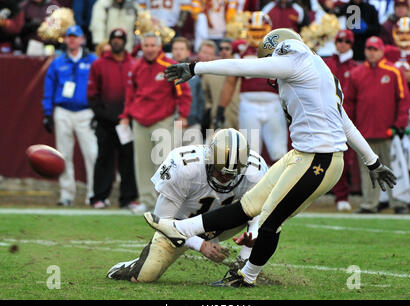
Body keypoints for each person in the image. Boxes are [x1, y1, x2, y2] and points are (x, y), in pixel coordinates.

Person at [144, 28, 398, 287]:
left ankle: (246, 277)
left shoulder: (294, 58)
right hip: (303, 155)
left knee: (268, 219)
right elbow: (344, 122)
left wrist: (196, 68)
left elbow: (243, 66)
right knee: (247, 206)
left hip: (319, 160)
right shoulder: (318, 68)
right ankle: (179, 230)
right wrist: (373, 161)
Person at [106, 128, 268, 283]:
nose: (225, 177)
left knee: (266, 219)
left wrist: (254, 236)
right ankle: (131, 267)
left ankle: (244, 268)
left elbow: (259, 210)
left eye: (232, 174)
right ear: (209, 160)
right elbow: (162, 221)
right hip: (179, 226)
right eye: (220, 171)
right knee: (144, 276)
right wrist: (200, 244)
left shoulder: (254, 171)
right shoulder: (184, 166)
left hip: (223, 225)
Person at [119, 32, 192, 212]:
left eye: (153, 45)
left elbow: (183, 93)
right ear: (141, 47)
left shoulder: (170, 65)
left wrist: (183, 115)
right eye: (146, 45)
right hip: (139, 121)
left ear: (160, 47)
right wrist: (126, 116)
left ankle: (166, 202)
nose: (150, 49)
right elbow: (130, 94)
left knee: (164, 162)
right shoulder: (136, 67)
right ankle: (147, 201)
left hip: (162, 119)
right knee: (142, 163)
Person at [344, 36, 410, 214]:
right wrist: (349, 128)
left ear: (382, 51)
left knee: (393, 167)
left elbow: (403, 100)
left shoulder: (393, 72)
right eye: (369, 49)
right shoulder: (357, 74)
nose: (372, 53)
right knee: (368, 171)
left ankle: (398, 203)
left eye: (375, 49)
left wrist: (399, 124)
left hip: (388, 131)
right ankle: (369, 204)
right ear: (365, 51)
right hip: (363, 132)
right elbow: (348, 103)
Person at [215, 12, 288, 165]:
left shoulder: (280, 49)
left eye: (260, 30)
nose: (257, 34)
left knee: (279, 151)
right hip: (248, 106)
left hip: (274, 104)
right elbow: (230, 81)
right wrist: (221, 108)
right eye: (253, 30)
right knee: (250, 153)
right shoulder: (241, 49)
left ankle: (281, 187)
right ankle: (252, 186)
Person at [87, 28, 143, 211]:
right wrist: (104, 115)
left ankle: (128, 198)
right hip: (106, 121)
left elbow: (139, 92)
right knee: (104, 159)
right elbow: (92, 94)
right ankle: (99, 197)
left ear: (125, 42)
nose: (117, 42)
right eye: (114, 39)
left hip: (127, 121)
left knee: (128, 160)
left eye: (120, 39)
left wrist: (130, 114)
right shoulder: (98, 64)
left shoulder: (134, 64)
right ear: (110, 42)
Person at [42, 25, 98, 206]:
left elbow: (100, 87)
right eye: (69, 37)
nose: (72, 40)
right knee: (64, 154)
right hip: (63, 111)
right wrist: (48, 112)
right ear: (65, 39)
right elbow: (48, 88)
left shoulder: (92, 61)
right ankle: (66, 195)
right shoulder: (58, 62)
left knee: (92, 153)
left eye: (75, 37)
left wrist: (98, 111)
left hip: (85, 111)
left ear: (82, 39)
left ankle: (93, 194)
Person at [323, 29, 359, 211]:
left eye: (346, 41)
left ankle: (342, 196)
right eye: (339, 40)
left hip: (348, 119)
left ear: (351, 44)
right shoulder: (327, 63)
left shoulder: (355, 67)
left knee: (345, 160)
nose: (342, 43)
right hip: (325, 118)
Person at [199, 39, 241, 136]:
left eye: (227, 48)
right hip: (217, 120)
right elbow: (206, 98)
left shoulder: (242, 69)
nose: (223, 51)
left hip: (238, 116)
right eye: (221, 48)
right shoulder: (210, 73)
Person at [171, 37, 205, 146]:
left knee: (195, 159)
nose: (178, 52)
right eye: (175, 49)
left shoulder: (194, 74)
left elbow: (201, 100)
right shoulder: (165, 72)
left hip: (192, 125)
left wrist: (196, 120)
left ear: (188, 52)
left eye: (181, 49)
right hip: (171, 125)